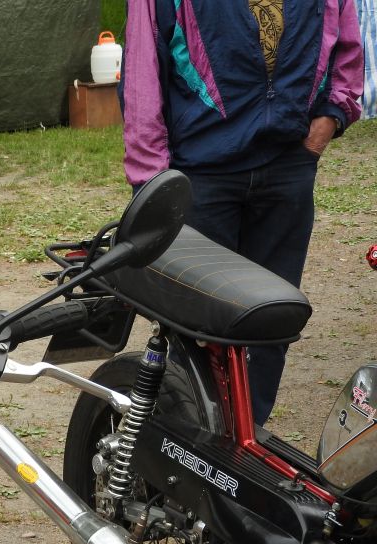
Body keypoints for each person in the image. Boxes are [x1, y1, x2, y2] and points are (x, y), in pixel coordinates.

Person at [121, 0, 364, 425]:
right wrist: (154, 183)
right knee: (197, 324)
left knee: (272, 318)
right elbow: (142, 75)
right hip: (201, 172)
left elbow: (347, 49)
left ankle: (248, 434)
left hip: (287, 168)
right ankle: (191, 437)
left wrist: (329, 120)